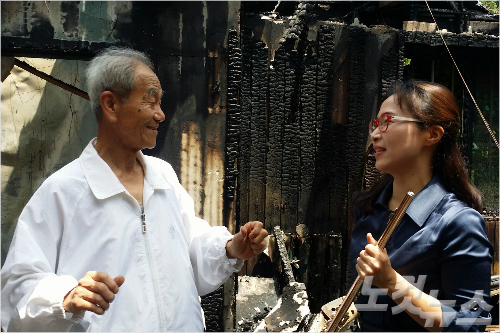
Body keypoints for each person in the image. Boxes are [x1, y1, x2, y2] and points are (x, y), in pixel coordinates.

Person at [1, 47, 269, 332]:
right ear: (111, 105)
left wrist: (230, 249)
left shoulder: (163, 177)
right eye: (151, 101)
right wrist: (66, 297)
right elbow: (17, 288)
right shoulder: (63, 192)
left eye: (160, 102)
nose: (161, 114)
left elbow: (188, 256)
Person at [349, 80, 493, 332]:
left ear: (432, 134)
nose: (374, 134)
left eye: (388, 121)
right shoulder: (368, 209)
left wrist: (393, 283)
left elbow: (472, 324)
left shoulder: (458, 223)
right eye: (375, 123)